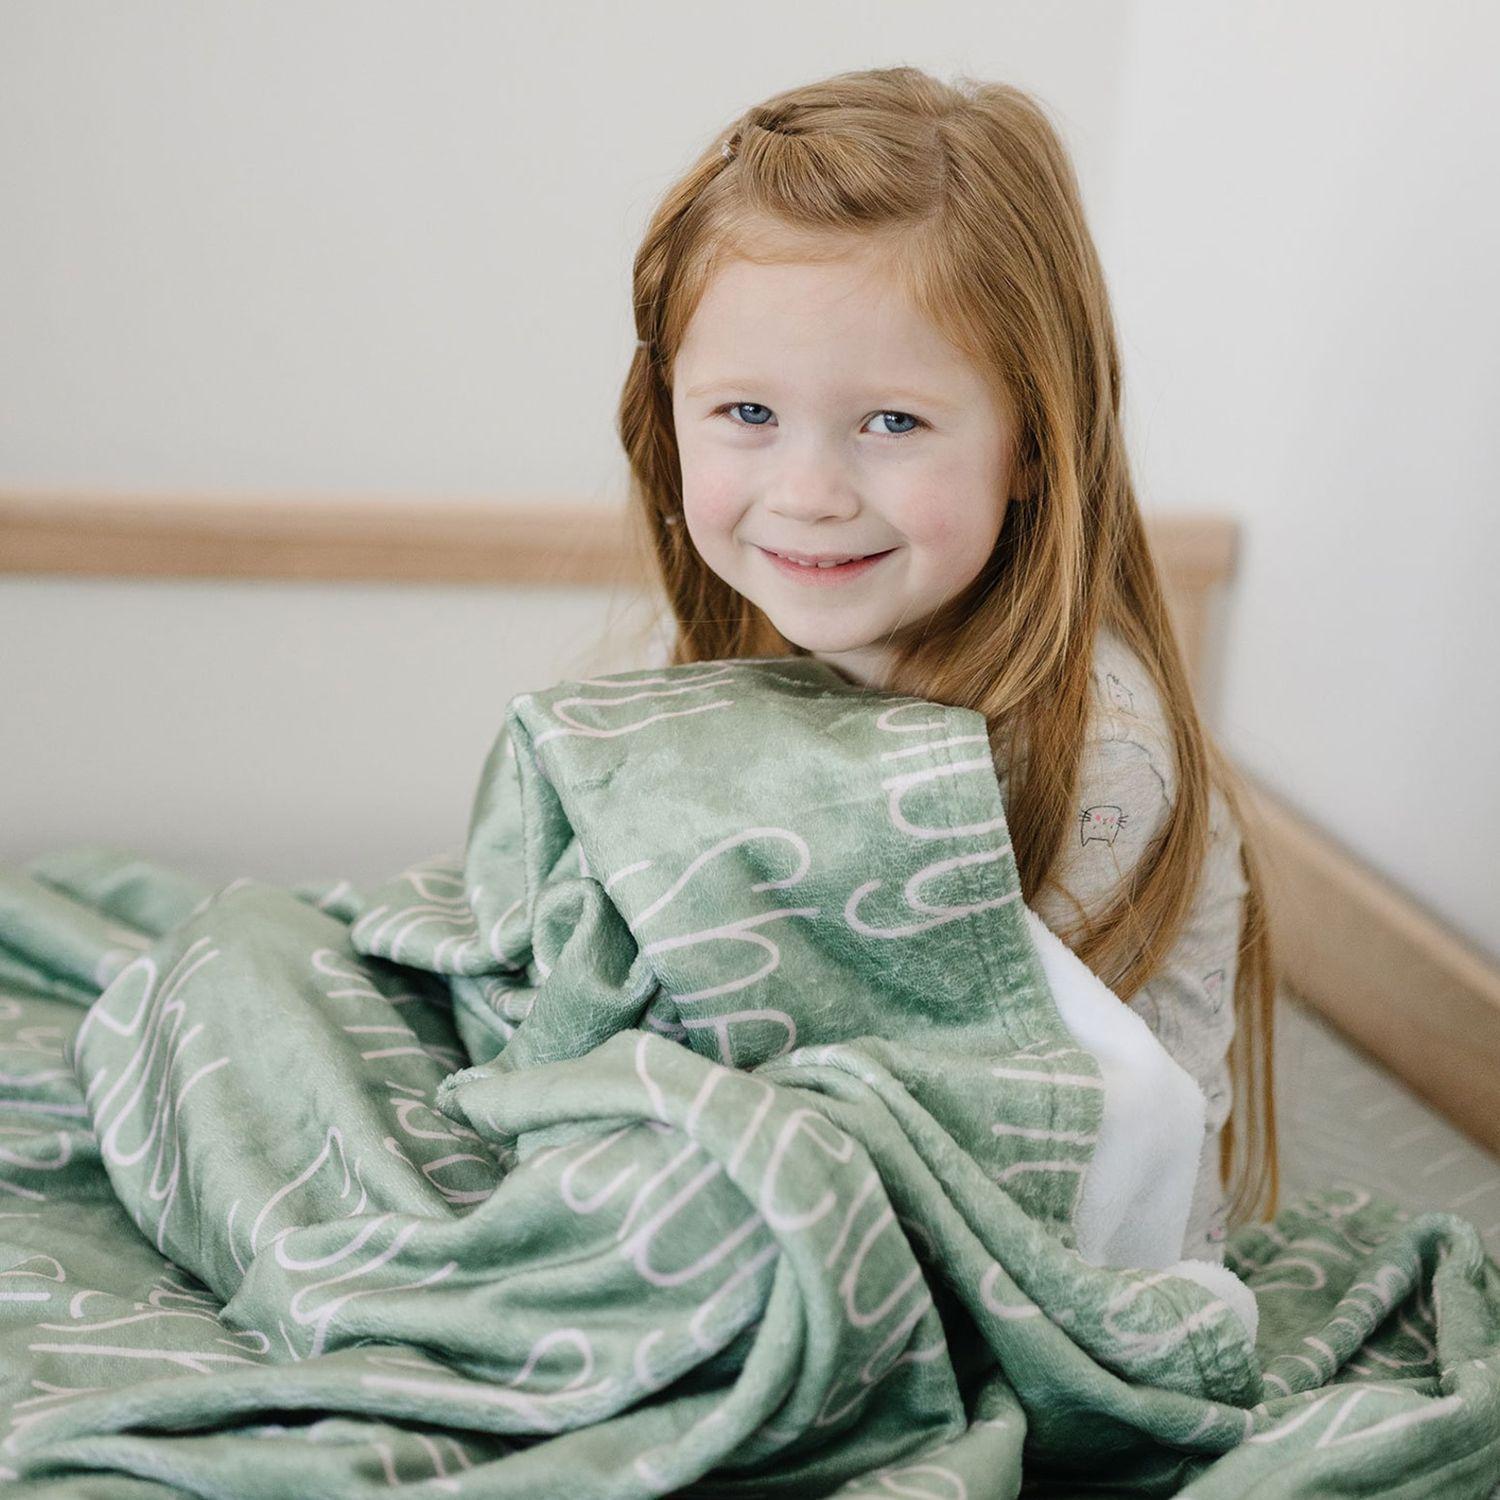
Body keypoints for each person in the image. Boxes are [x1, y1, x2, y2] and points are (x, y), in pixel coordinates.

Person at [613, 65, 1280, 1261]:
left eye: (893, 423)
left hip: (1055, 1258)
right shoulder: (779, 643)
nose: (808, 494)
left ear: (1031, 442)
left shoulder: (1095, 756)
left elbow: (999, 1149)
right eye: (748, 415)